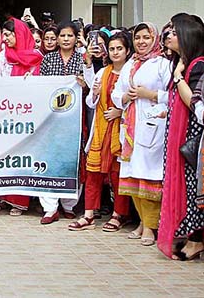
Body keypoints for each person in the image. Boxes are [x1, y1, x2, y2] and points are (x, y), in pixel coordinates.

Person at [111, 22, 171, 247]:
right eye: (138, 38)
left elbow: (172, 94)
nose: (141, 42)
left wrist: (150, 94)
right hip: (130, 127)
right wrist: (124, 98)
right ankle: (142, 222)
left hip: (153, 124)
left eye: (146, 37)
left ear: (154, 39)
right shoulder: (129, 64)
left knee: (149, 175)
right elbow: (117, 92)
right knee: (132, 175)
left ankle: (151, 227)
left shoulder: (162, 64)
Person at [69, 31, 132, 231]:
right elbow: (91, 102)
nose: (115, 52)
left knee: (117, 174)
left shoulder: (131, 73)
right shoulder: (103, 72)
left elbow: (136, 99)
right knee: (93, 172)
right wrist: (94, 94)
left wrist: (119, 111)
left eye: (119, 49)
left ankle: (118, 214)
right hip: (101, 128)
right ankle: (88, 215)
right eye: (112, 49)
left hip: (121, 130)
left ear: (127, 51)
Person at [158, 13, 204, 260]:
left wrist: (178, 78)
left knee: (193, 188)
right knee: (186, 187)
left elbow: (195, 105)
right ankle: (190, 237)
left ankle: (196, 239)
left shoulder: (198, 66)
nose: (168, 36)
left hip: (194, 139)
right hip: (180, 136)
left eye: (174, 32)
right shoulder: (181, 63)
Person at [0, 18, 43, 216]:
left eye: (10, 34)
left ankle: (20, 201)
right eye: (5, 34)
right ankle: (4, 197)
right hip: (5, 115)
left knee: (21, 157)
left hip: (25, 116)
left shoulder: (36, 56)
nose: (7, 38)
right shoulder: (3, 55)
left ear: (20, 34)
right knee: (5, 157)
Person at [36, 21, 84, 224]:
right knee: (50, 158)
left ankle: (69, 205)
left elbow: (91, 86)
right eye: (62, 36)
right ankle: (49, 208)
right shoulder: (48, 59)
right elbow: (41, 87)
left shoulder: (83, 60)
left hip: (76, 118)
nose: (65, 39)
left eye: (69, 36)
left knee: (73, 158)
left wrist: (84, 82)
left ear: (76, 38)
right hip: (51, 119)